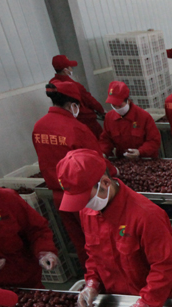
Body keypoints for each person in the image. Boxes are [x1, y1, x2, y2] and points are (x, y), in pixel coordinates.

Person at [57, 149, 172, 307]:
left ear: (105, 182)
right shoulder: (88, 211)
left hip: (156, 305)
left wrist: (144, 305)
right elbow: (93, 254)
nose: (83, 205)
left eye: (86, 198)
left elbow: (166, 267)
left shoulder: (146, 215)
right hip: (115, 303)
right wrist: (92, 282)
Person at [33, 81, 112, 267]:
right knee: (98, 240)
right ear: (72, 105)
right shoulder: (76, 128)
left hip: (60, 196)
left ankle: (89, 275)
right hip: (84, 196)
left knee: (80, 240)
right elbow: (96, 161)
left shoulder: (39, 127)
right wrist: (113, 171)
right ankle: (105, 276)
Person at [100, 81, 161, 159]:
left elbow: (154, 141)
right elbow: (105, 140)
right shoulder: (109, 117)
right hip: (123, 159)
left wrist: (140, 152)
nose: (117, 108)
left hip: (144, 159)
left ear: (128, 101)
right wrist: (103, 152)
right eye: (114, 106)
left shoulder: (143, 116)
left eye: (120, 106)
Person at [49, 55, 105, 138]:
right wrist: (102, 111)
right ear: (65, 70)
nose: (72, 69)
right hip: (86, 120)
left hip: (66, 121)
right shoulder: (74, 86)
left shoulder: (52, 84)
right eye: (70, 67)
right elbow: (90, 101)